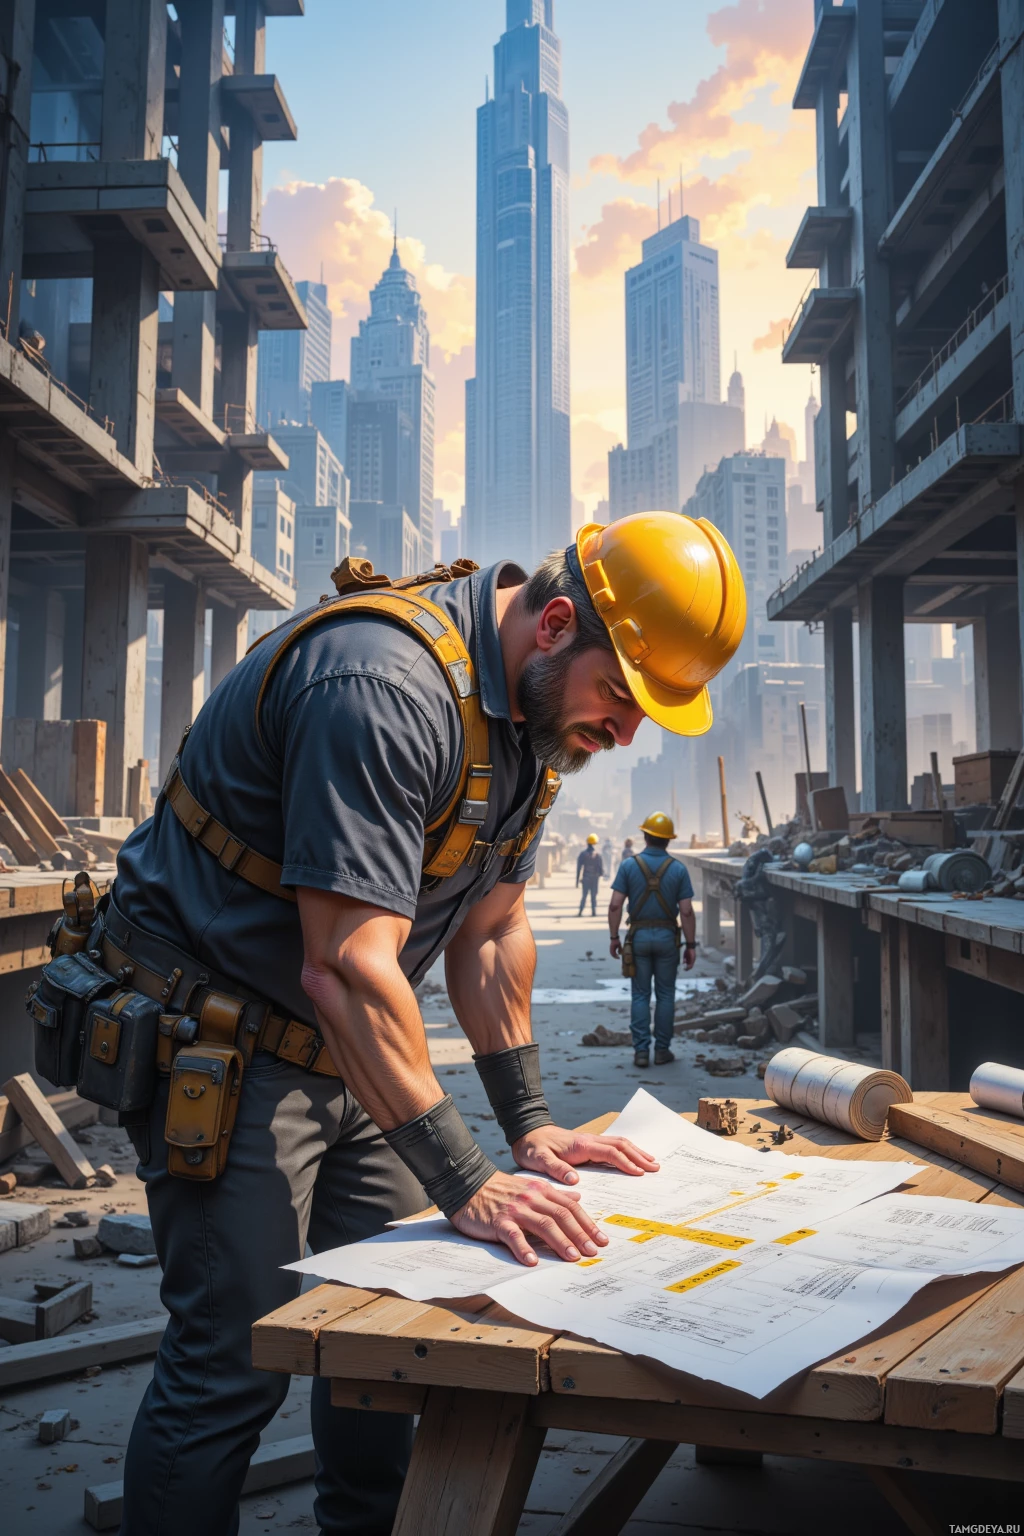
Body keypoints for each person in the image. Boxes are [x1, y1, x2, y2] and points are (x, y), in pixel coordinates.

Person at [75, 510, 741, 1535]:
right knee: (232, 1362)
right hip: (224, 1045)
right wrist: (468, 1182)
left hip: (351, 1053)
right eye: (621, 698)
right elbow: (345, 965)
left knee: (392, 1338)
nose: (625, 732)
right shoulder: (380, 688)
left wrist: (527, 1125)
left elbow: (489, 932)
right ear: (555, 624)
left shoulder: (527, 732)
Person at [609, 813, 698, 1068]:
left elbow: (616, 905)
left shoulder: (628, 866)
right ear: (668, 841)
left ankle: (640, 1052)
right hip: (668, 939)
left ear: (645, 836)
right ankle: (661, 1050)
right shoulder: (678, 869)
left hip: (638, 938)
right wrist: (691, 945)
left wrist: (614, 937)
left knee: (639, 994)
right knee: (666, 994)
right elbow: (687, 911)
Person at [576, 833, 604, 916]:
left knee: (584, 896)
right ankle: (594, 912)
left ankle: (580, 912)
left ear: (587, 843)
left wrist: (577, 882)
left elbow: (578, 868)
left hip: (586, 878)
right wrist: (597, 876)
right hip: (594, 879)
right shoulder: (598, 855)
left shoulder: (583, 854)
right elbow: (601, 870)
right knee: (593, 896)